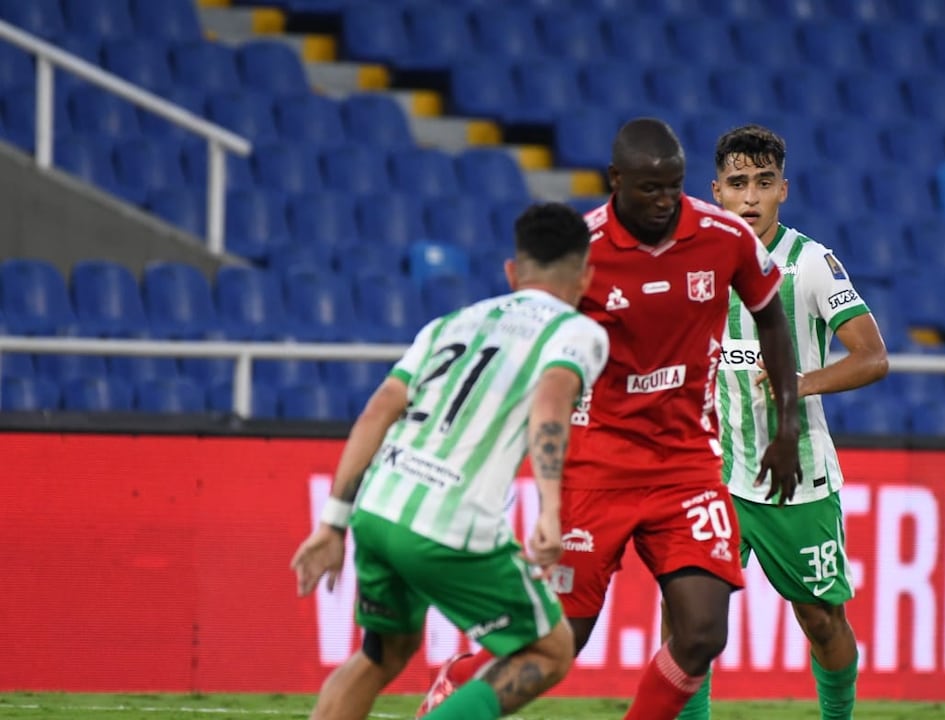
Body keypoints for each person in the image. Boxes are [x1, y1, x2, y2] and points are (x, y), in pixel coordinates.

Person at [421, 117, 803, 720]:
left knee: (704, 634)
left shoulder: (724, 236)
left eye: (674, 187)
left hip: (686, 465)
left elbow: (772, 319)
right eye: (650, 188)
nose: (664, 202)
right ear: (615, 180)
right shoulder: (580, 250)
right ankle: (463, 681)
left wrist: (789, 427)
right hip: (595, 465)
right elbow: (532, 345)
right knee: (559, 644)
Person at [290, 201, 610, 720]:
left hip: (377, 510)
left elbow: (378, 410)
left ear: (512, 272)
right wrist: (551, 510)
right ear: (586, 275)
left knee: (381, 653)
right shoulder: (578, 333)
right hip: (449, 528)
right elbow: (552, 404)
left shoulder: (451, 323)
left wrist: (332, 525)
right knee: (550, 651)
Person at [671, 124, 890, 720]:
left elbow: (873, 357)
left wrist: (801, 382)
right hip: (710, 472)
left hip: (796, 478)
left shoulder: (810, 264)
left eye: (763, 183)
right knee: (691, 621)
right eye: (737, 184)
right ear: (716, 191)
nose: (750, 198)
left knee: (821, 619)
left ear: (783, 190)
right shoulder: (691, 260)